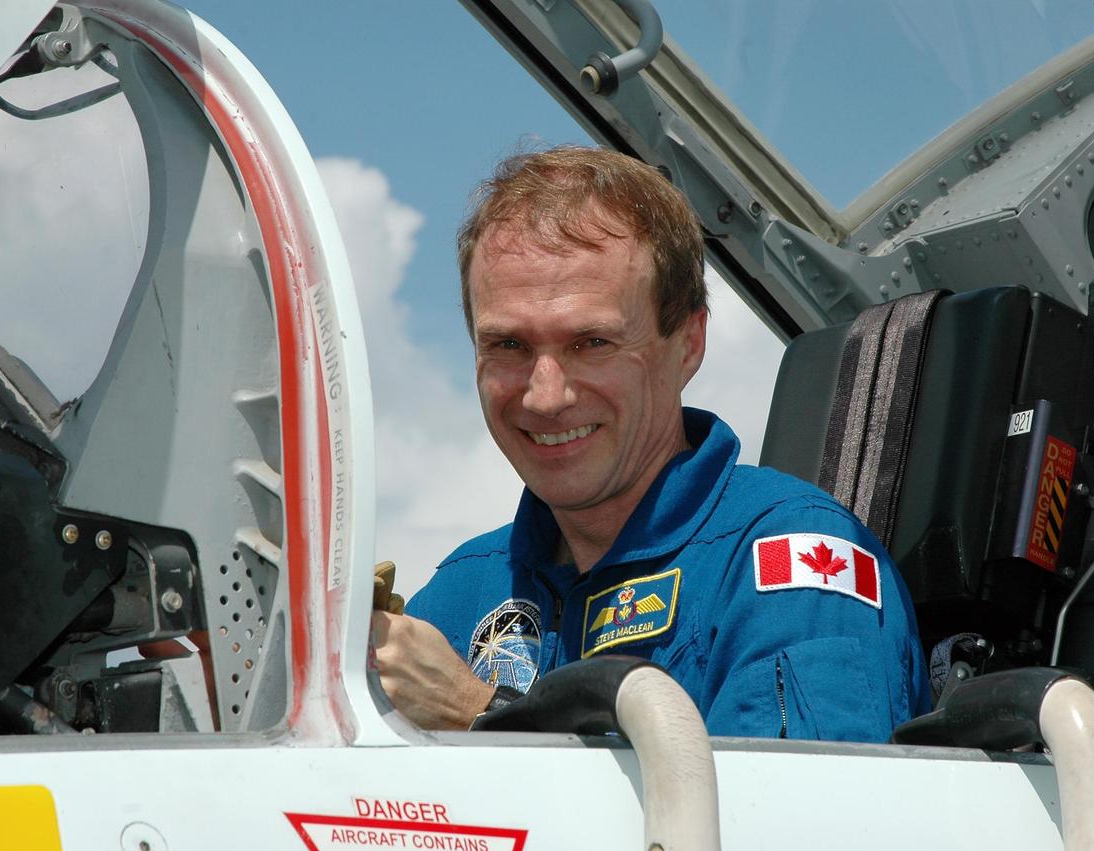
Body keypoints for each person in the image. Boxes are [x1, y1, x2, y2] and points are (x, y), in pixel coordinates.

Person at [374, 145, 930, 740]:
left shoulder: (792, 568)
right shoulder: (460, 594)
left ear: (687, 345)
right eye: (509, 346)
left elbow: (794, 822)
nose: (545, 395)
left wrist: (481, 716)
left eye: (591, 343)